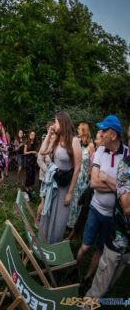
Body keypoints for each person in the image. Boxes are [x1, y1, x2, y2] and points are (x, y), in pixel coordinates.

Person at [75, 115, 128, 295]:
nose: (101, 134)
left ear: (113, 135)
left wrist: (106, 177)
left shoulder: (127, 155)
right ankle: (76, 269)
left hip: (113, 216)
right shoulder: (99, 152)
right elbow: (95, 183)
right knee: (86, 247)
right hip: (96, 209)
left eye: (104, 131)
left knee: (101, 250)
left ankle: (87, 278)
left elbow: (124, 192)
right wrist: (117, 185)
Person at [83, 152, 130, 308]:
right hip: (118, 234)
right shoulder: (126, 164)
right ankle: (87, 306)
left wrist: (109, 179)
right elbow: (127, 206)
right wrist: (117, 184)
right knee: (99, 285)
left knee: (110, 282)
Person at [38, 111, 82, 244]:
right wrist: (49, 135)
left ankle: (54, 245)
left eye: (56, 122)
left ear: (63, 123)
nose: (55, 124)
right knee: (48, 211)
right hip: (54, 182)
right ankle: (43, 242)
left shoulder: (74, 141)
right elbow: (43, 151)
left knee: (60, 218)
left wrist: (70, 193)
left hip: (65, 185)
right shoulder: (56, 139)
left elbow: (77, 168)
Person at [67, 123, 95, 231]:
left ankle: (76, 225)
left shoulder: (91, 146)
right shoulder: (79, 143)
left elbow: (92, 164)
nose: (78, 131)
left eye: (79, 129)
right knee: (73, 198)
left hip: (84, 177)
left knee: (79, 200)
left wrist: (88, 177)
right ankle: (69, 222)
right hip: (76, 175)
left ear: (84, 131)